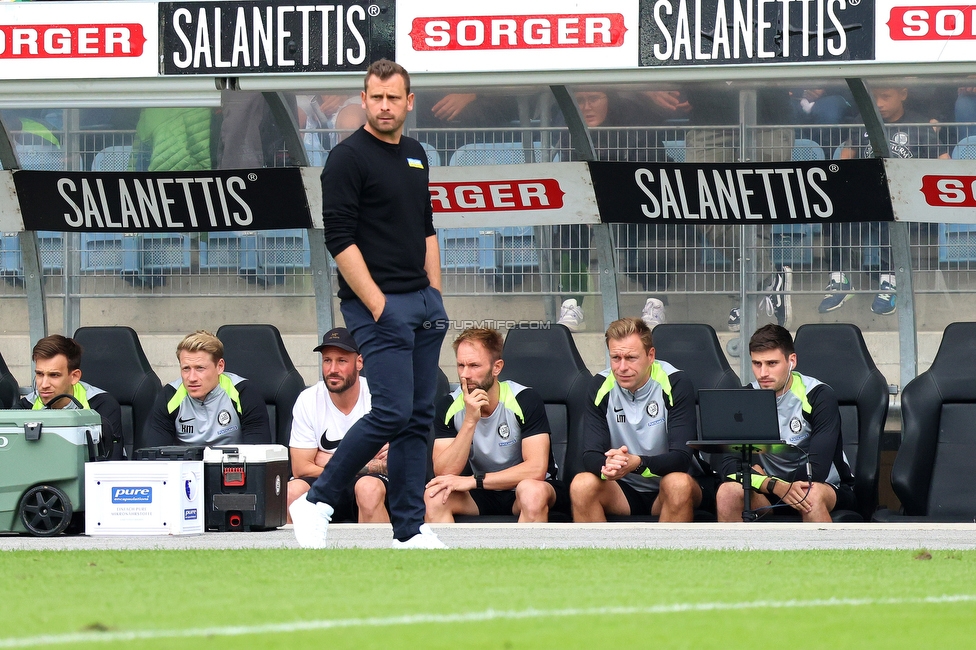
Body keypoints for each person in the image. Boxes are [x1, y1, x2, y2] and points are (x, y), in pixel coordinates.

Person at [289, 59, 449, 550]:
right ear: (363, 100)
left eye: (392, 97)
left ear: (408, 102)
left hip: (422, 303)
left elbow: (425, 227)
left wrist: (435, 296)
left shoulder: (417, 154)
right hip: (376, 305)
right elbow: (338, 239)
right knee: (392, 413)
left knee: (417, 418)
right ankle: (316, 502)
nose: (384, 106)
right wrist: (380, 306)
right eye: (375, 97)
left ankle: (409, 529)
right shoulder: (347, 158)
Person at [819, 86, 950, 316]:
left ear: (903, 94)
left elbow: (944, 161)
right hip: (868, 194)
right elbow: (847, 155)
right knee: (836, 208)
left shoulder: (918, 125)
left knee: (887, 211)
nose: (879, 103)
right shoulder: (864, 121)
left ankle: (890, 281)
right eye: (874, 97)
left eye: (886, 97)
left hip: (906, 200)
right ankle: (840, 279)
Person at [425, 328, 570, 523]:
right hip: (482, 493)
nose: (465, 375)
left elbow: (536, 469)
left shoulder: (524, 399)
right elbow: (444, 473)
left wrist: (474, 481)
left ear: (497, 367)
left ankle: (527, 546)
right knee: (435, 496)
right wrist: (470, 421)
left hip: (526, 487)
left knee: (531, 492)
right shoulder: (449, 406)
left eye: (474, 365)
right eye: (461, 365)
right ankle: (448, 546)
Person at [571, 318, 707, 522]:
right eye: (615, 358)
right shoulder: (600, 385)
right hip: (623, 489)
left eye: (631, 358)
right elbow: (590, 454)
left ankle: (668, 546)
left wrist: (638, 463)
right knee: (581, 485)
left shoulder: (675, 382)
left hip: (670, 484)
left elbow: (681, 458)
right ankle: (599, 546)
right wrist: (609, 465)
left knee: (677, 484)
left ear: (651, 355)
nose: (622, 367)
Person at [716, 324, 856, 523]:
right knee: (727, 492)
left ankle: (822, 545)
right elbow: (729, 467)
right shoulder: (746, 398)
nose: (763, 373)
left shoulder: (818, 395)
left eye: (772, 363)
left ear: (792, 361)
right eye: (757, 364)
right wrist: (772, 484)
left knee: (810, 494)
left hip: (823, 486)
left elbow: (816, 470)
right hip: (770, 490)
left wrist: (767, 480)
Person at [681, 84, 794, 330]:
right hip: (708, 118)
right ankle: (768, 277)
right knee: (700, 206)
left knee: (756, 215)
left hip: (770, 115)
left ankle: (746, 298)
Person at [555, 90, 669, 333]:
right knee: (569, 221)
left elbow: (648, 177)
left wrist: (612, 202)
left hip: (637, 200)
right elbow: (571, 175)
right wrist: (586, 204)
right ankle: (572, 303)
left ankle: (656, 301)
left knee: (653, 220)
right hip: (595, 200)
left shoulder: (636, 122)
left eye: (594, 99)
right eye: (580, 101)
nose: (586, 107)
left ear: (610, 98)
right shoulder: (569, 128)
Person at [287, 328, 390, 524]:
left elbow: (390, 463)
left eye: (342, 361)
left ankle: (379, 546)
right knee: (291, 492)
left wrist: (326, 459)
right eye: (327, 360)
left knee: (368, 489)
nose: (333, 369)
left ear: (359, 362)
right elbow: (301, 468)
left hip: (371, 483)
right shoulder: (308, 399)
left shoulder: (379, 396)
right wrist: (367, 464)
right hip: (325, 480)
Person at [143, 330, 272, 447]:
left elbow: (258, 452)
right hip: (186, 465)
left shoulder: (244, 392)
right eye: (186, 368)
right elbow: (154, 454)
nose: (192, 378)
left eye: (200, 368)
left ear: (220, 367)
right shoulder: (170, 395)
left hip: (233, 465)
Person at [19, 335, 123, 460]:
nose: (44, 384)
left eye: (54, 375)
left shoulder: (102, 404)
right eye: (40, 374)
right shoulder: (24, 406)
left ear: (74, 377)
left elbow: (111, 463)